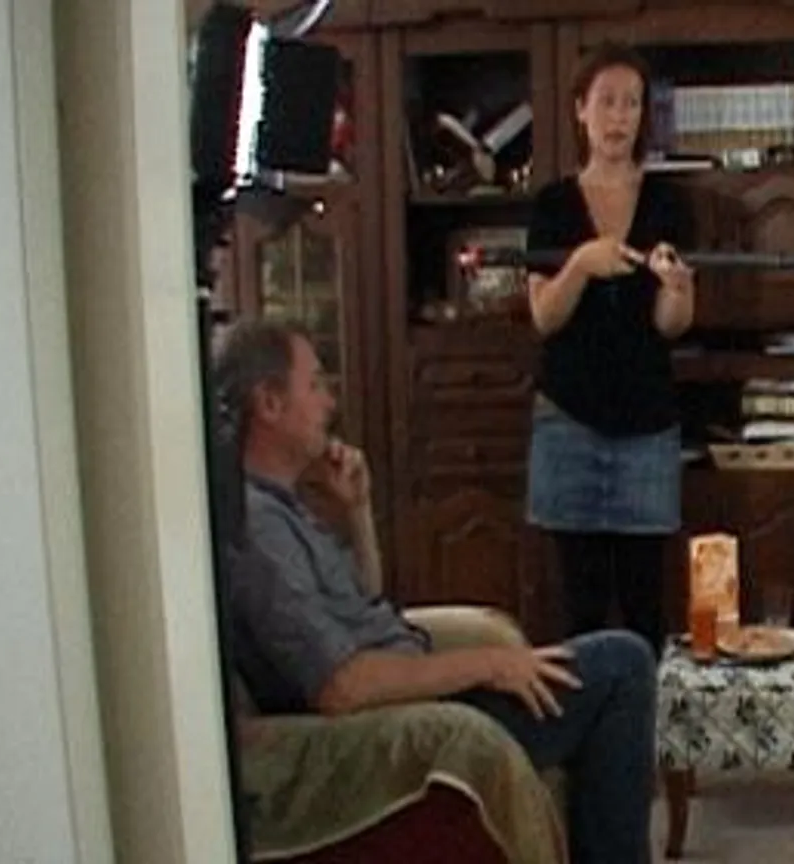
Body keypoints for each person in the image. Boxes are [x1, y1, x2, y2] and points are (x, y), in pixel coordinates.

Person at [218, 319, 657, 864]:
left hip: (419, 686)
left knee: (608, 674)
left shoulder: (284, 505)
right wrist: (488, 665)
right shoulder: (257, 529)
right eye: (315, 384)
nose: (330, 402)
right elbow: (340, 686)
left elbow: (366, 603)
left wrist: (357, 511)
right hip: (406, 722)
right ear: (269, 403)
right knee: (622, 666)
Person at [522, 40, 697, 656]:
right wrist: (581, 265)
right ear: (580, 109)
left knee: (646, 605)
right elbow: (544, 316)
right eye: (607, 102)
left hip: (647, 426)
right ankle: (588, 717)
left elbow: (672, 324)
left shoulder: (669, 202)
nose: (619, 117)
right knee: (581, 607)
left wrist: (677, 286)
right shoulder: (552, 205)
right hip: (569, 422)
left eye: (632, 103)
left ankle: (642, 713)